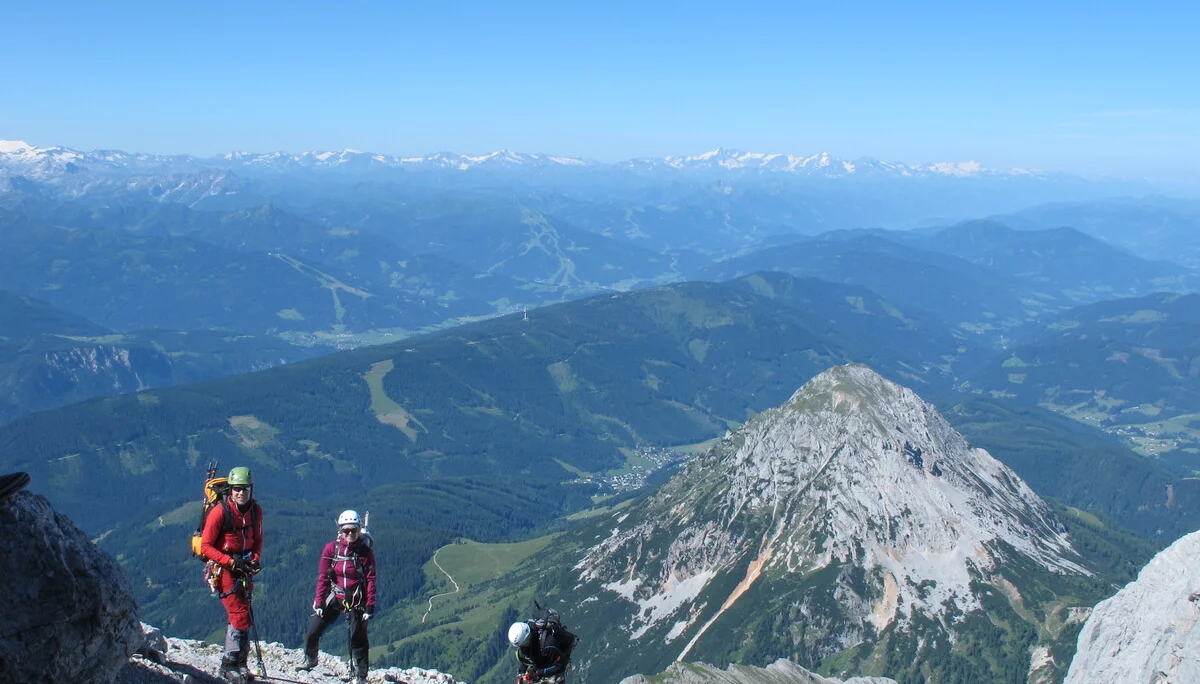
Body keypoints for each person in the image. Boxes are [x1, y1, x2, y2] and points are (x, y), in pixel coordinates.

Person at [199, 466, 263, 684]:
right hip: (225, 568)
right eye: (236, 489)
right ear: (230, 490)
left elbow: (258, 539)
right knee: (239, 614)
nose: (240, 493)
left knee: (244, 614)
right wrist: (230, 561)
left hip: (243, 567)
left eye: (244, 489)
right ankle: (229, 665)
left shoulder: (255, 511)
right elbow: (206, 546)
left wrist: (254, 560)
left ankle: (240, 664)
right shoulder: (220, 512)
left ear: (250, 489)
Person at [298, 509, 377, 684]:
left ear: (359, 529)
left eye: (353, 530)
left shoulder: (365, 553)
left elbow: (371, 579)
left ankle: (361, 675)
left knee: (358, 637)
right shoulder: (331, 549)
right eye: (345, 530)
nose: (349, 534)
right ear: (339, 530)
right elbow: (323, 577)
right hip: (335, 595)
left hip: (357, 598)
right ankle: (311, 658)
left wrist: (370, 605)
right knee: (313, 630)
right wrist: (319, 601)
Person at [508, 615, 571, 684]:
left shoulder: (547, 644)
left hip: (555, 665)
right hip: (543, 663)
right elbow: (530, 658)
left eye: (524, 644)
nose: (523, 646)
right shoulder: (529, 644)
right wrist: (521, 672)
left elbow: (560, 666)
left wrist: (538, 673)